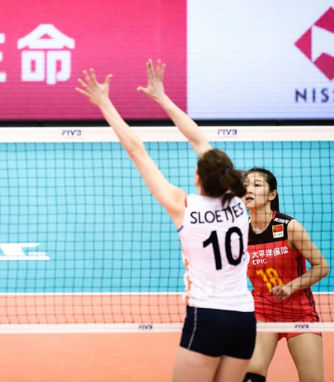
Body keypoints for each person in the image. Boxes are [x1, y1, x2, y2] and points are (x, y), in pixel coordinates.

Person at [76, 60, 256, 382]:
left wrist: (104, 103)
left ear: (198, 177)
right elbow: (199, 140)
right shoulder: (240, 203)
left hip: (207, 316)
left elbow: (138, 152)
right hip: (244, 318)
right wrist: (162, 97)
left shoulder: (182, 205)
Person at [242, 168, 329, 382]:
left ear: (272, 195)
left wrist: (291, 286)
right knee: (251, 375)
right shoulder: (240, 231)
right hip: (262, 310)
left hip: (299, 312)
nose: (249, 189)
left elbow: (321, 266)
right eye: (245, 185)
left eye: (257, 185)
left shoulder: (289, 227)